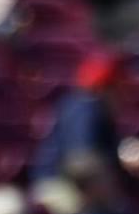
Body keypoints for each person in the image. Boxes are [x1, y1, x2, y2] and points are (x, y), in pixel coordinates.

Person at [31, 52, 123, 185]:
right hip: (59, 184)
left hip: (57, 181)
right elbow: (80, 162)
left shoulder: (73, 102)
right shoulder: (86, 109)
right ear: (104, 89)